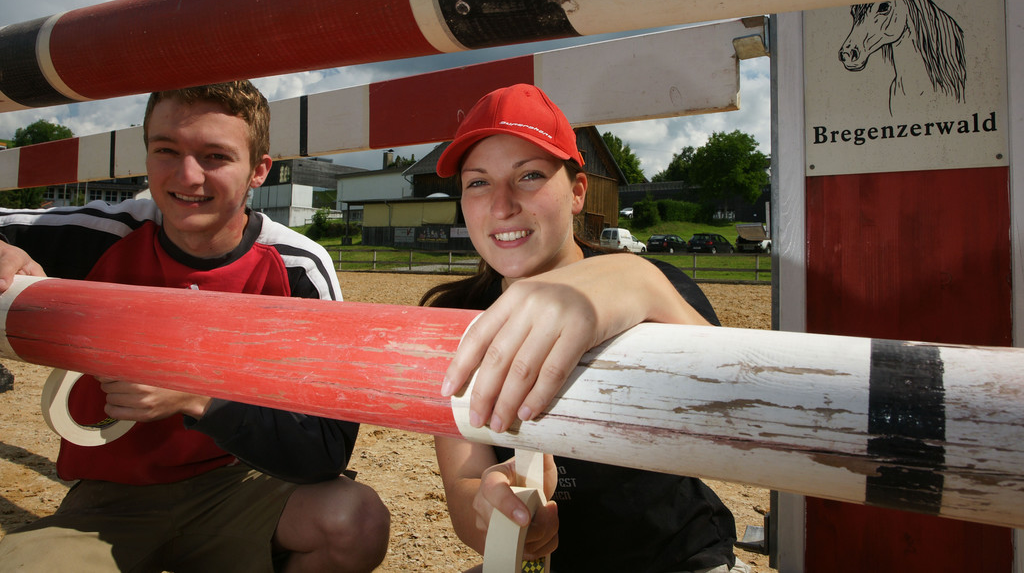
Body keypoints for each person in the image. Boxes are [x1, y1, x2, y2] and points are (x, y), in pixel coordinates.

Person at [0, 81, 389, 572]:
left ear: (258, 171)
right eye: (167, 150)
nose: (188, 176)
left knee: (355, 519)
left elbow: (327, 448)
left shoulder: (299, 265)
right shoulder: (100, 232)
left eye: (215, 156)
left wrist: (195, 396)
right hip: (109, 501)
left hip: (240, 486)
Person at [421, 84, 748, 572]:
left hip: (675, 557)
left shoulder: (650, 288)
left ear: (577, 192)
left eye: (529, 176)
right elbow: (464, 486)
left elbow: (741, 411)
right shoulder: (458, 318)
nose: (502, 205)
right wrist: (493, 512)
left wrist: (641, 283)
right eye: (478, 182)